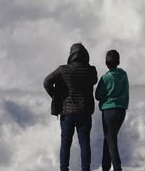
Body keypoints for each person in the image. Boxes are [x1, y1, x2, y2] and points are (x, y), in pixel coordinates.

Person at [43, 43, 98, 171]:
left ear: (71, 55)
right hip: (84, 113)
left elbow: (46, 82)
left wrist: (56, 97)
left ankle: (64, 169)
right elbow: (94, 80)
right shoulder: (90, 70)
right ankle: (85, 169)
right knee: (84, 143)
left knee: (65, 143)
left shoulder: (63, 70)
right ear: (85, 55)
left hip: (67, 113)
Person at [95, 50, 129, 171]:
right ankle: (105, 167)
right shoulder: (124, 74)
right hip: (121, 111)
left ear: (106, 63)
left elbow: (97, 95)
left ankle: (117, 168)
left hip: (109, 111)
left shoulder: (105, 78)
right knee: (109, 138)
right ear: (118, 62)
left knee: (111, 140)